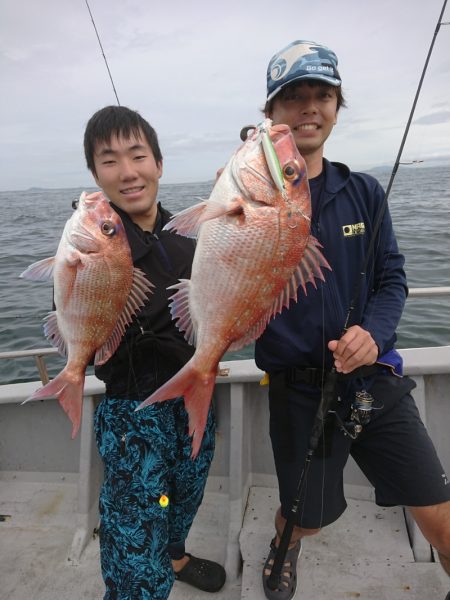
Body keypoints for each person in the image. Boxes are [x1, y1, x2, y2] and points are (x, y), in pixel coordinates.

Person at [253, 40, 450, 600]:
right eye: (293, 97)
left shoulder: (363, 192)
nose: (309, 107)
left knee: (439, 514)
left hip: (371, 380)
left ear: (338, 107)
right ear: (271, 114)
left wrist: (375, 333)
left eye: (323, 95)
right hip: (296, 390)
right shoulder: (251, 195)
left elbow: (393, 278)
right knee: (306, 520)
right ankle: (285, 544)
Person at [83, 105, 226, 599]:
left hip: (197, 398)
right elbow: (74, 320)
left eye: (138, 155)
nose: (128, 172)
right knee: (135, 563)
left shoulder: (195, 235)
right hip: (132, 415)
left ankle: (177, 552)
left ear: (159, 164)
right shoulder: (91, 245)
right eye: (109, 160)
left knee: (185, 495)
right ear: (95, 174)